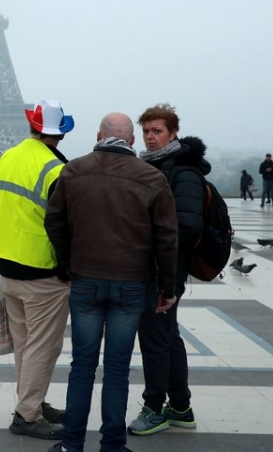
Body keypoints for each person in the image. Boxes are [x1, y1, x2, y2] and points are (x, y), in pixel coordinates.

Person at [45, 112, 178, 452]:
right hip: (131, 284)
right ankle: (113, 446)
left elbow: (54, 222)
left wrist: (68, 263)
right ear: (132, 141)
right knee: (118, 369)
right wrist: (167, 287)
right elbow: (167, 238)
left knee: (82, 367)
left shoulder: (72, 170)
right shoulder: (151, 177)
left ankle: (71, 445)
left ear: (98, 134)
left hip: (85, 280)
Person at [0, 99, 74, 440]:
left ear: (32, 126)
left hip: (6, 265)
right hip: (41, 270)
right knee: (44, 345)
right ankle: (26, 414)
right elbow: (62, 225)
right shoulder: (55, 169)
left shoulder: (5, 158)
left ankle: (31, 403)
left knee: (25, 343)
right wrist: (68, 266)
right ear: (61, 133)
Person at [128, 103, 205, 437]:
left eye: (157, 131)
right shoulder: (155, 167)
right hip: (158, 267)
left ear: (173, 133)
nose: (150, 138)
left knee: (155, 340)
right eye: (146, 131)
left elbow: (186, 227)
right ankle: (181, 406)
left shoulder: (182, 173)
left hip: (164, 270)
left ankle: (155, 407)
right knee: (168, 338)